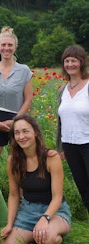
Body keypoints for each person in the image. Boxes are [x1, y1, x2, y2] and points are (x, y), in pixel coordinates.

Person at [1, 114, 71, 244]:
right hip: (28, 210)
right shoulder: (12, 161)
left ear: (35, 132)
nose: (21, 137)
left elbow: (57, 197)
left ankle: (52, 237)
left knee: (47, 240)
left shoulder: (51, 157)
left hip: (55, 210)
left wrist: (45, 218)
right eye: (17, 133)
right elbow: (14, 195)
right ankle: (34, 233)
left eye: (25, 131)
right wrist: (9, 224)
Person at [0, 26, 33, 184]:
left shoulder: (24, 71)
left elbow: (28, 98)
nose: (6, 48)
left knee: (18, 166)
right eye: (3, 45)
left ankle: (22, 201)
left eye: (10, 45)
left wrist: (16, 121)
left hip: (18, 125)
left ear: (15, 47)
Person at [57, 45, 89, 213]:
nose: (70, 64)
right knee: (82, 184)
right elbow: (60, 122)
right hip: (70, 144)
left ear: (81, 62)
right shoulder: (63, 89)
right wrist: (60, 147)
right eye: (67, 61)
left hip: (87, 142)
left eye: (73, 61)